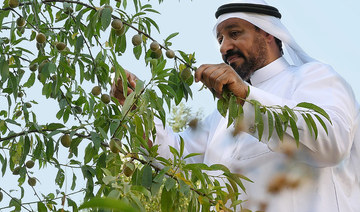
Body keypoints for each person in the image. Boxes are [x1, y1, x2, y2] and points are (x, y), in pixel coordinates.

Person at [111, 0, 360, 211]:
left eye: (234, 33)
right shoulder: (218, 120)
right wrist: (135, 108)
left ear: (267, 33)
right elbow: (172, 158)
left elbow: (333, 142)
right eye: (220, 38)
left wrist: (246, 99)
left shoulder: (314, 77)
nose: (223, 47)